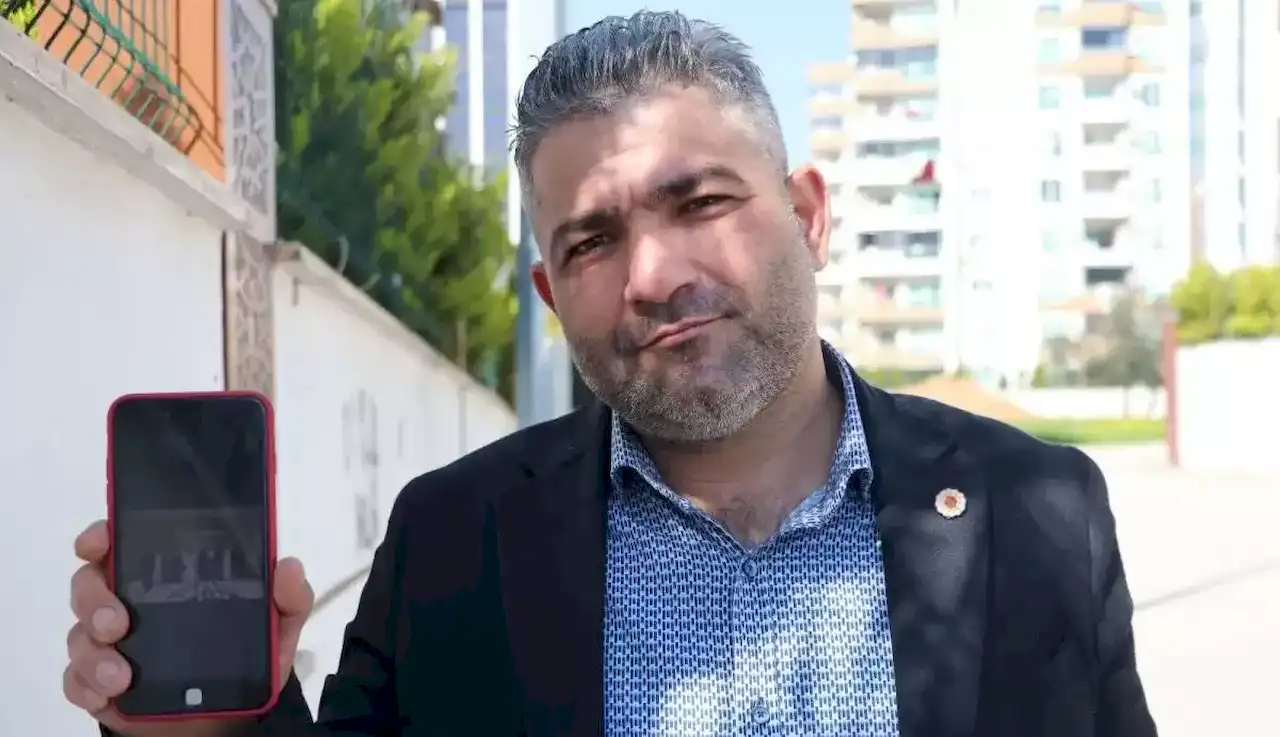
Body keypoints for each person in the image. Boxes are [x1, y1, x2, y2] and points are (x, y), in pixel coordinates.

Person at [65, 10, 1156, 737]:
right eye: (591, 241)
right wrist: (222, 725)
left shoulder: (1038, 510)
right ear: (550, 294)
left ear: (808, 215)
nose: (653, 275)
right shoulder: (451, 541)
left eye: (702, 202)